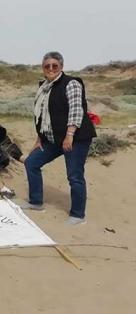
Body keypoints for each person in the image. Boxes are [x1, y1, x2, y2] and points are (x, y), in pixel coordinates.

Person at [22, 51, 96, 224]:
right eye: (47, 66)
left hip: (75, 137)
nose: (51, 69)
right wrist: (39, 139)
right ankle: (36, 202)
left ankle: (78, 215)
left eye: (55, 65)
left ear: (61, 67)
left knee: (74, 175)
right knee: (31, 162)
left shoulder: (71, 83)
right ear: (42, 68)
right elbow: (42, 115)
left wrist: (69, 135)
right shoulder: (43, 87)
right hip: (54, 138)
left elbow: (76, 110)